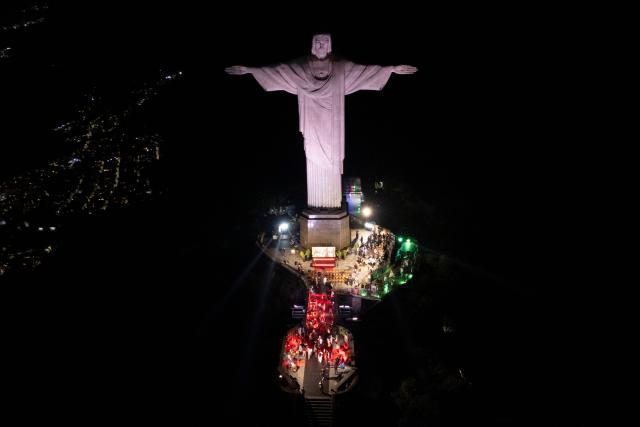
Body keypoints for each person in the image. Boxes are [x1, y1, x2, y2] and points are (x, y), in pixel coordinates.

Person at [225, 34, 417, 209]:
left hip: (332, 127)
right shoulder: (300, 67)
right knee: (313, 158)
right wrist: (251, 71)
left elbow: (365, 72)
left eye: (324, 42)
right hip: (312, 123)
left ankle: (331, 205)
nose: (320, 45)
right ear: (311, 45)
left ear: (330, 45)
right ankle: (316, 205)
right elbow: (278, 72)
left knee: (331, 161)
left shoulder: (341, 67)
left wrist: (391, 69)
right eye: (317, 41)